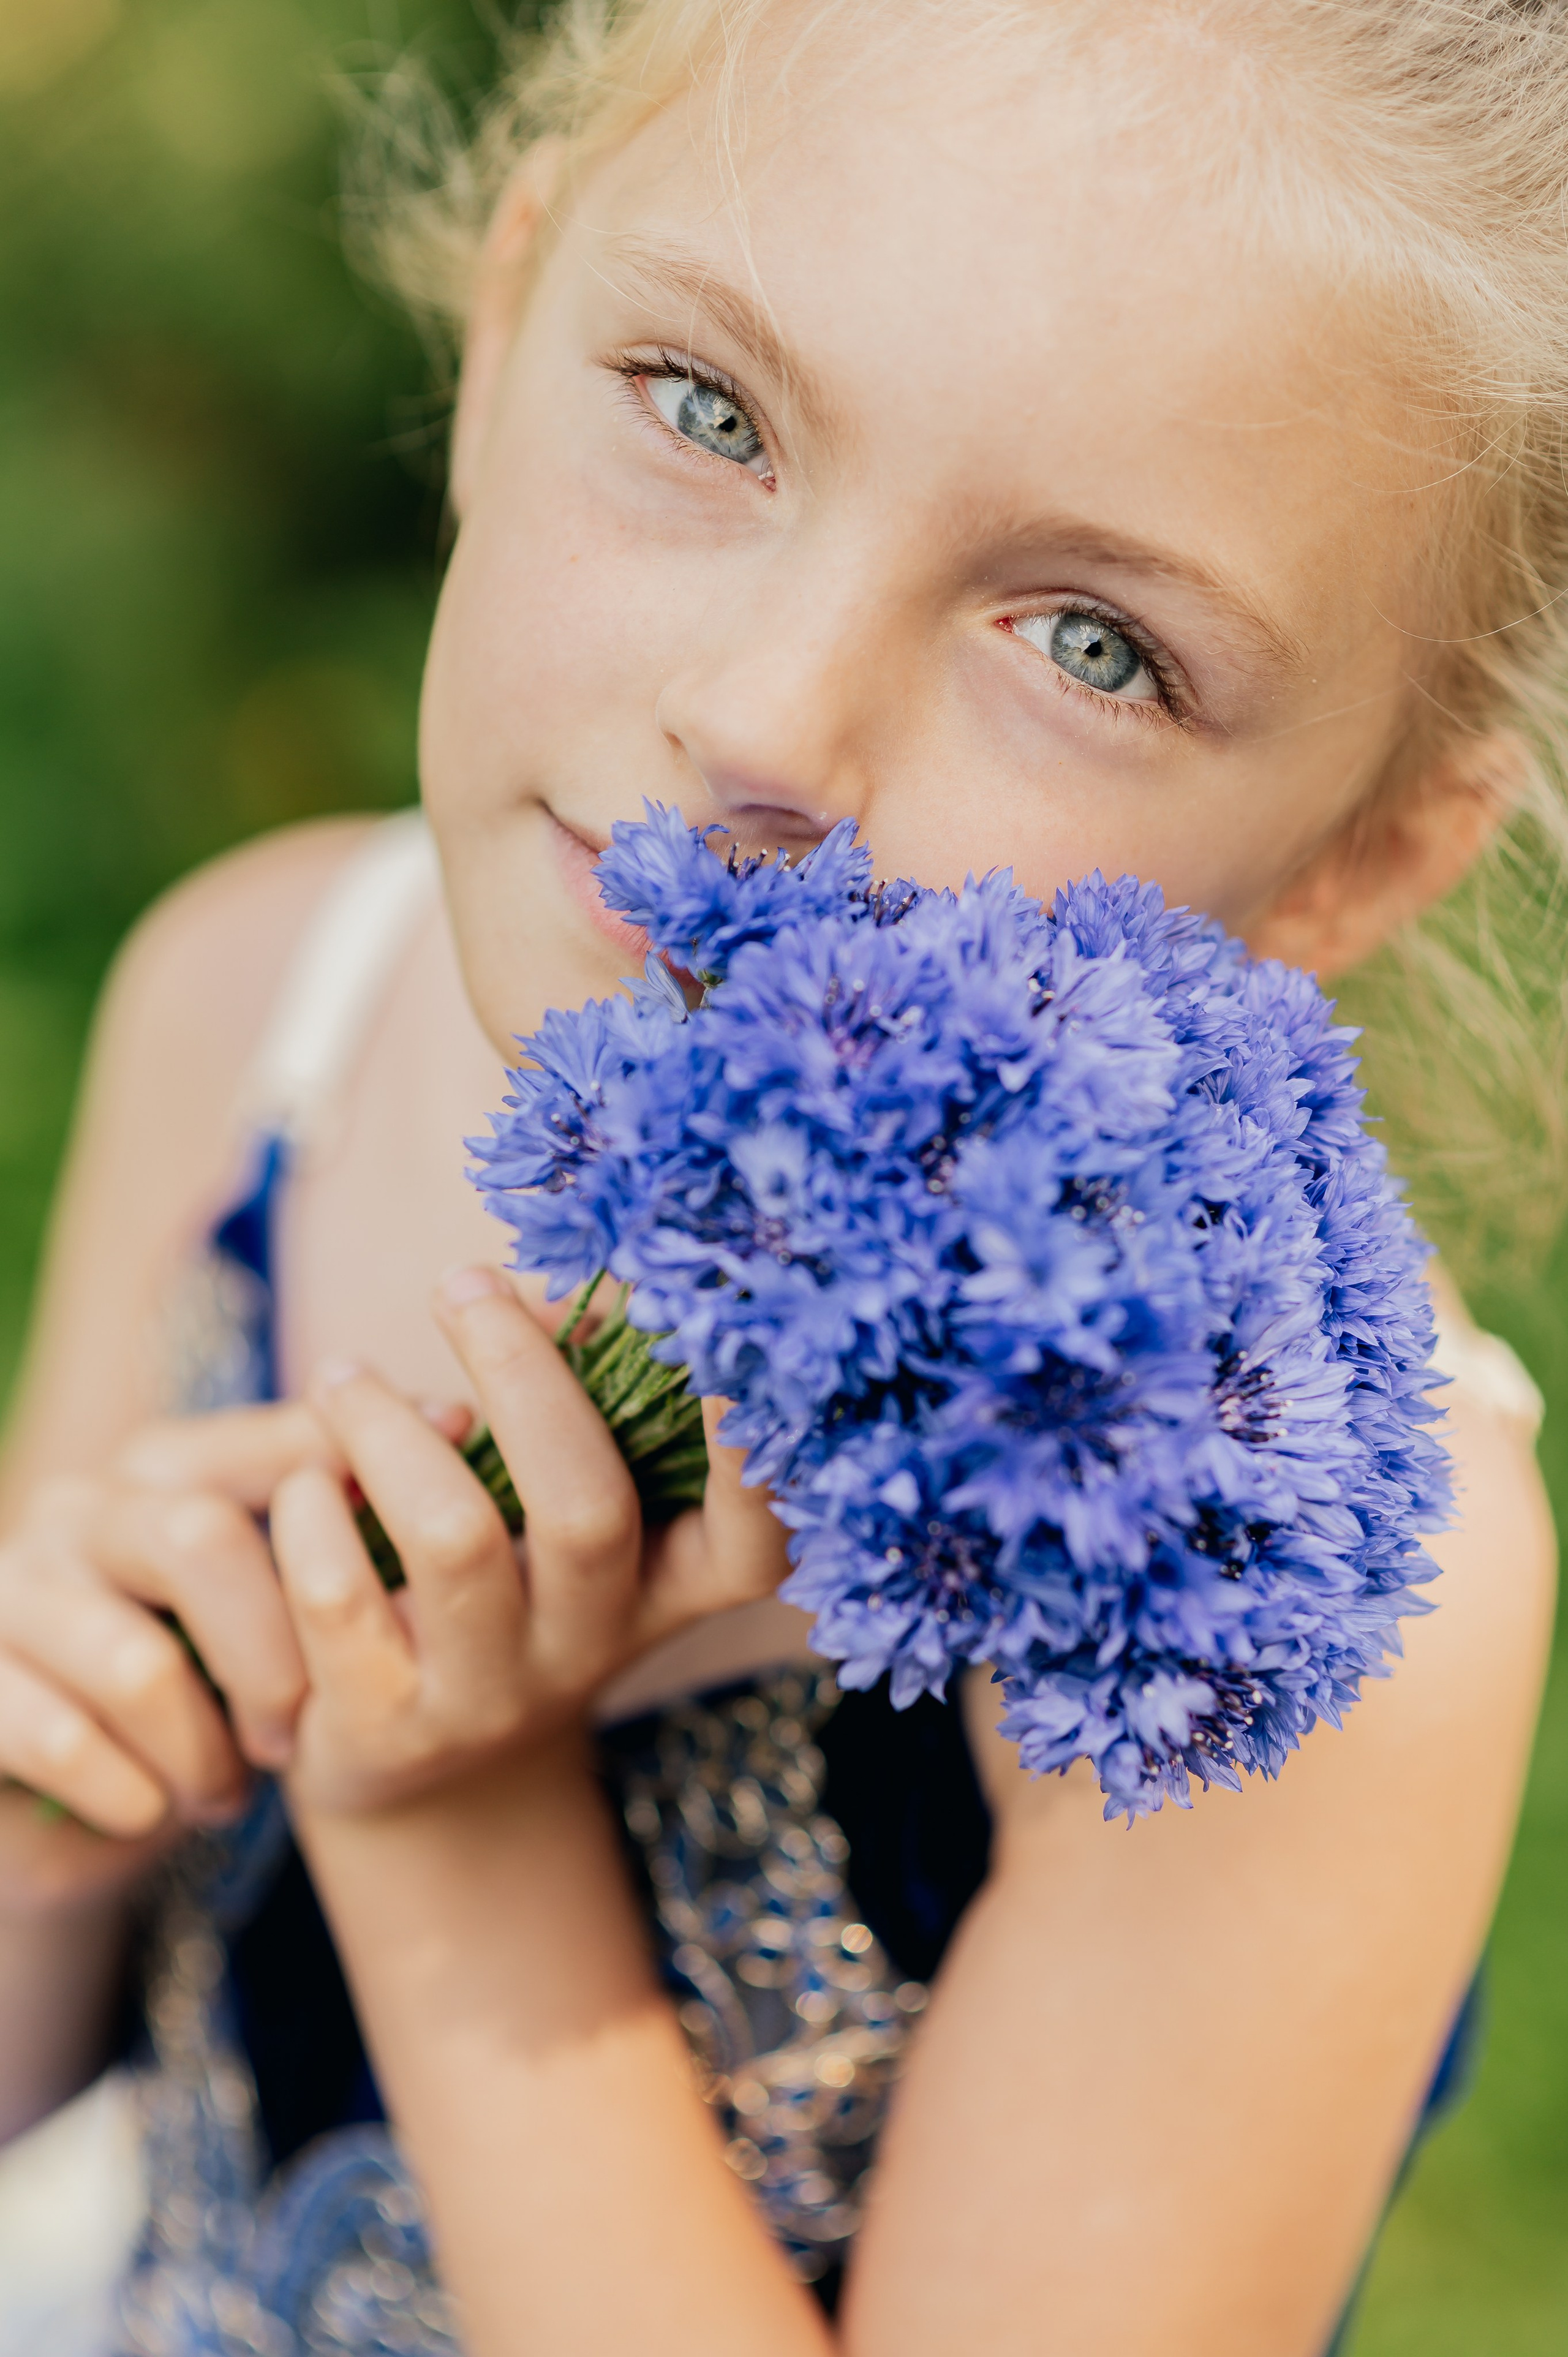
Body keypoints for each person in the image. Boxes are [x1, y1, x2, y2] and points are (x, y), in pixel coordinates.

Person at [0, 2, 1559, 2350]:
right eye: (709, 411)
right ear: (513, 311)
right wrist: (60, 1820)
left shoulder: (1280, 1565)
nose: (766, 721)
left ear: (1362, 849)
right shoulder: (255, 1013)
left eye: (1093, 645)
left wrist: (450, 1836)